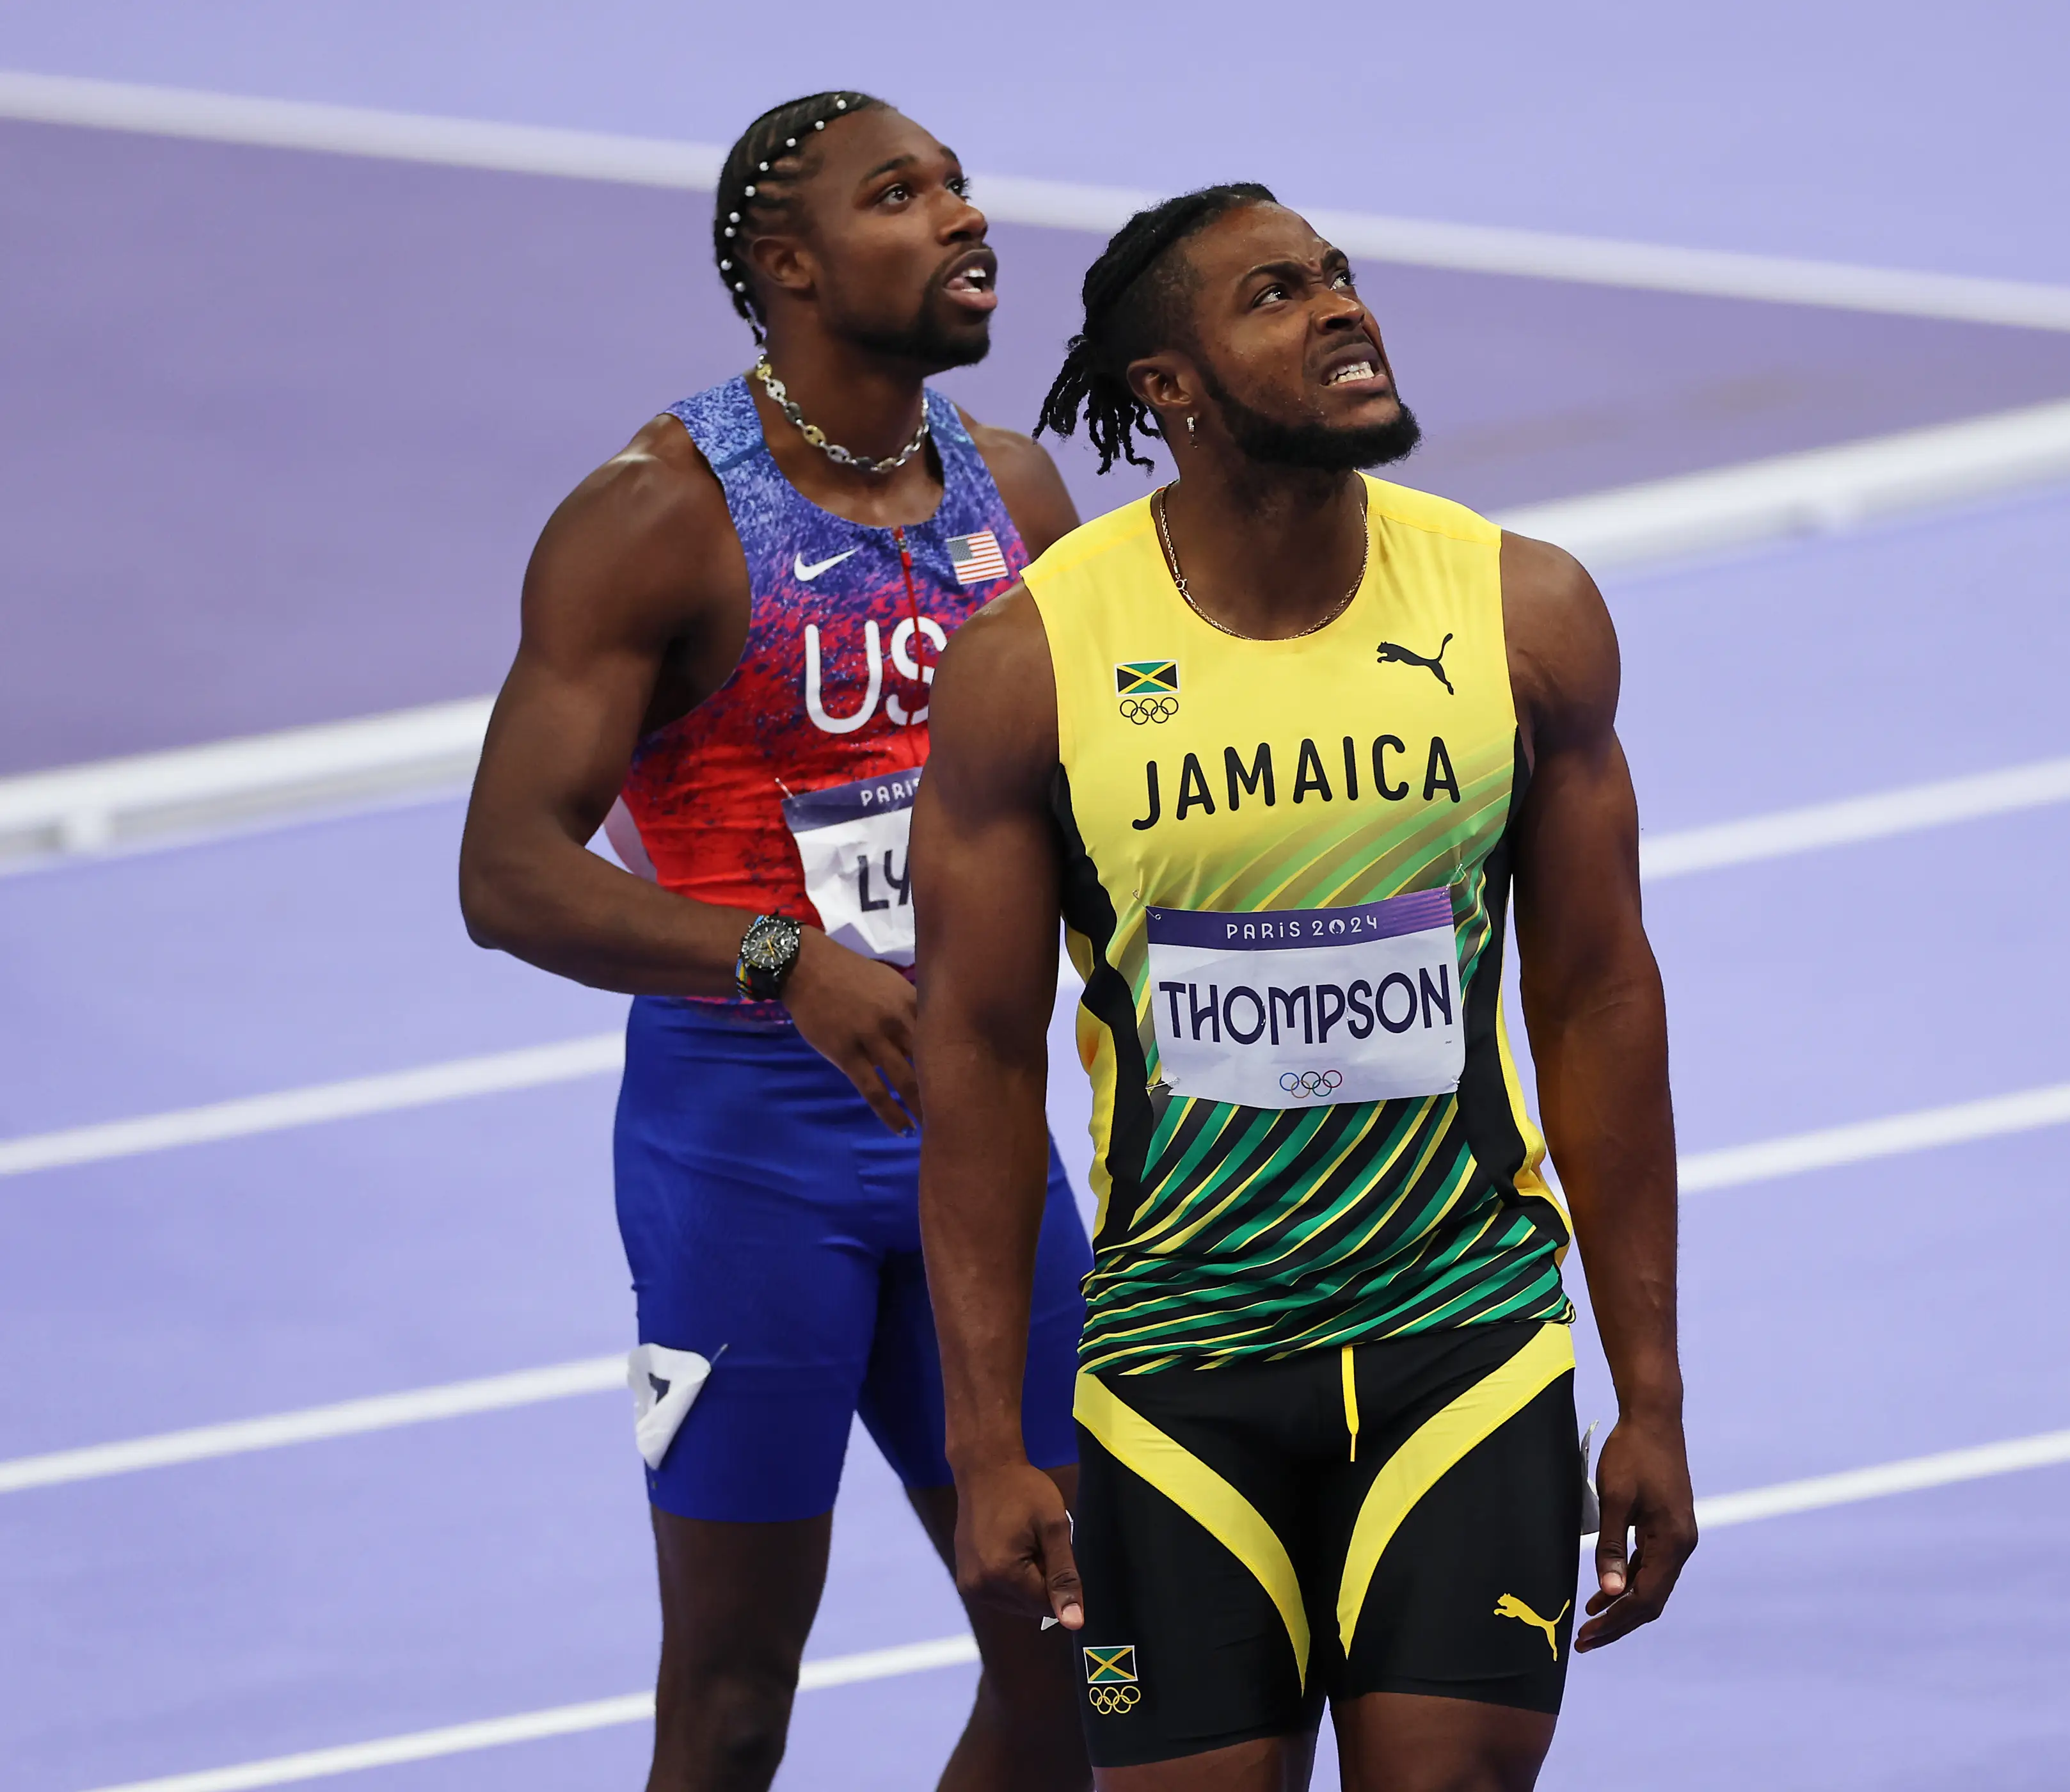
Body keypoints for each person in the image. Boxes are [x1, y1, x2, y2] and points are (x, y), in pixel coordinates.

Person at [909, 183, 1695, 1791]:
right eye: (1278, 294)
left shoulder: (1520, 615)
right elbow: (978, 1060)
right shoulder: (1033, 663)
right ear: (1170, 387)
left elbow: (1600, 1001)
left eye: (1340, 276)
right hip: (1179, 1368)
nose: (1343, 308)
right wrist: (988, 1441)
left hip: (1461, 1335)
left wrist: (1653, 1395)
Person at [458, 91, 1092, 1792]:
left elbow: (1093, 809)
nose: (964, 217)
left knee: (1085, 1662)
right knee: (735, 1702)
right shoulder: (656, 516)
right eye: (905, 195)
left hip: (981, 1146)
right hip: (747, 1162)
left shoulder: (1019, 497)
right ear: (790, 266)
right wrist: (776, 959)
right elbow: (508, 872)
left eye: (961, 184)